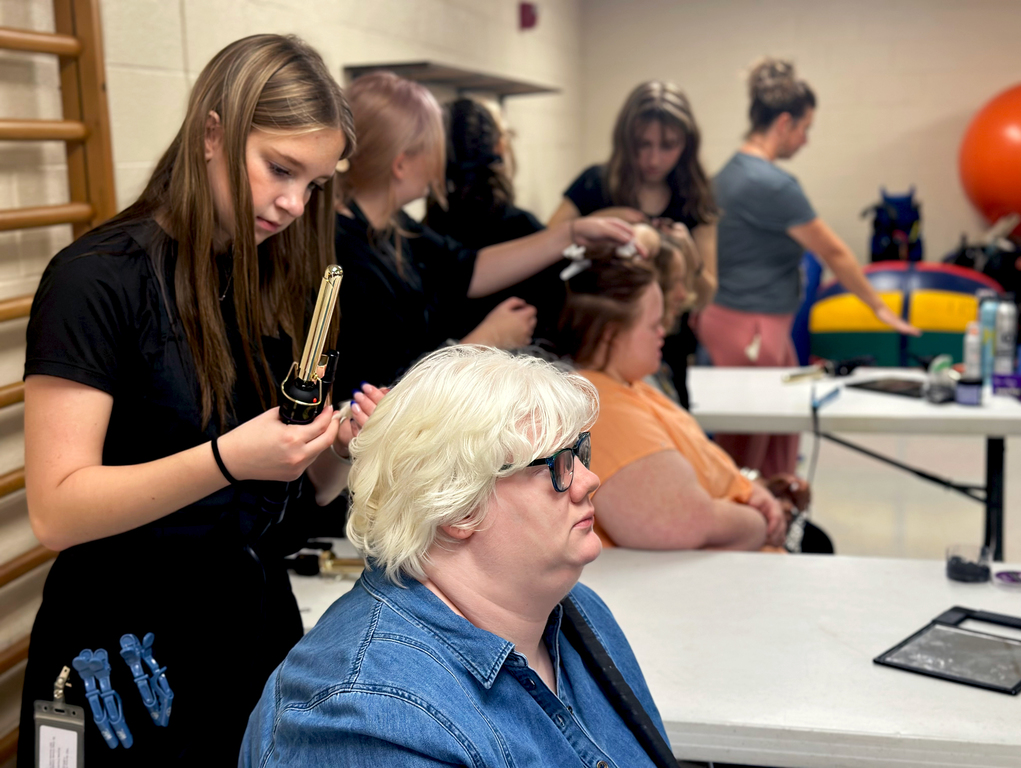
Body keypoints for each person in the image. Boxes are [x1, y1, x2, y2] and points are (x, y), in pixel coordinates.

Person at [17, 35, 374, 766]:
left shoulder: (280, 279)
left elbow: (304, 498)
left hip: (247, 627)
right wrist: (226, 459)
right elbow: (57, 509)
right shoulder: (96, 282)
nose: (292, 204)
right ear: (213, 132)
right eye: (279, 170)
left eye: (312, 185)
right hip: (118, 647)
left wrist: (335, 449)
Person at [241, 346, 670, 766]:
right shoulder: (367, 716)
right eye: (558, 465)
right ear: (458, 507)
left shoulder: (577, 614)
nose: (589, 480)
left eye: (581, 453)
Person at [334, 72, 637, 396]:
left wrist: (570, 234)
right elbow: (385, 392)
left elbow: (466, 268)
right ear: (401, 164)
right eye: (432, 148)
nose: (440, 162)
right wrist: (485, 341)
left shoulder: (393, 225)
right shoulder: (351, 259)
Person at [702, 58, 919, 477]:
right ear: (784, 123)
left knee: (761, 443)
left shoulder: (726, 174)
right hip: (752, 329)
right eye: (805, 128)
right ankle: (754, 534)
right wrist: (880, 308)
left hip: (740, 322)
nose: (805, 140)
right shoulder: (773, 185)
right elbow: (834, 253)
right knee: (751, 457)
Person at [559, 251, 825, 552]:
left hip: (735, 549)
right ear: (610, 336)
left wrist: (752, 488)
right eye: (653, 325)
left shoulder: (627, 386)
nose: (663, 332)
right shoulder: (603, 409)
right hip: (730, 564)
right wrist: (765, 522)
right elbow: (679, 524)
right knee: (819, 544)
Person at [549, 81, 718, 408]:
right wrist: (600, 221)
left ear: (687, 143)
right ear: (626, 140)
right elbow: (545, 248)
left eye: (668, 145)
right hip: (596, 350)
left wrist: (690, 258)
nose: (653, 158)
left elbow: (706, 294)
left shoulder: (695, 199)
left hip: (665, 352)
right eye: (643, 144)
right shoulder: (594, 185)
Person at [426, 98, 566, 343]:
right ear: (499, 147)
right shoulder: (530, 234)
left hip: (443, 374)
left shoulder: (423, 234)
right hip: (523, 372)